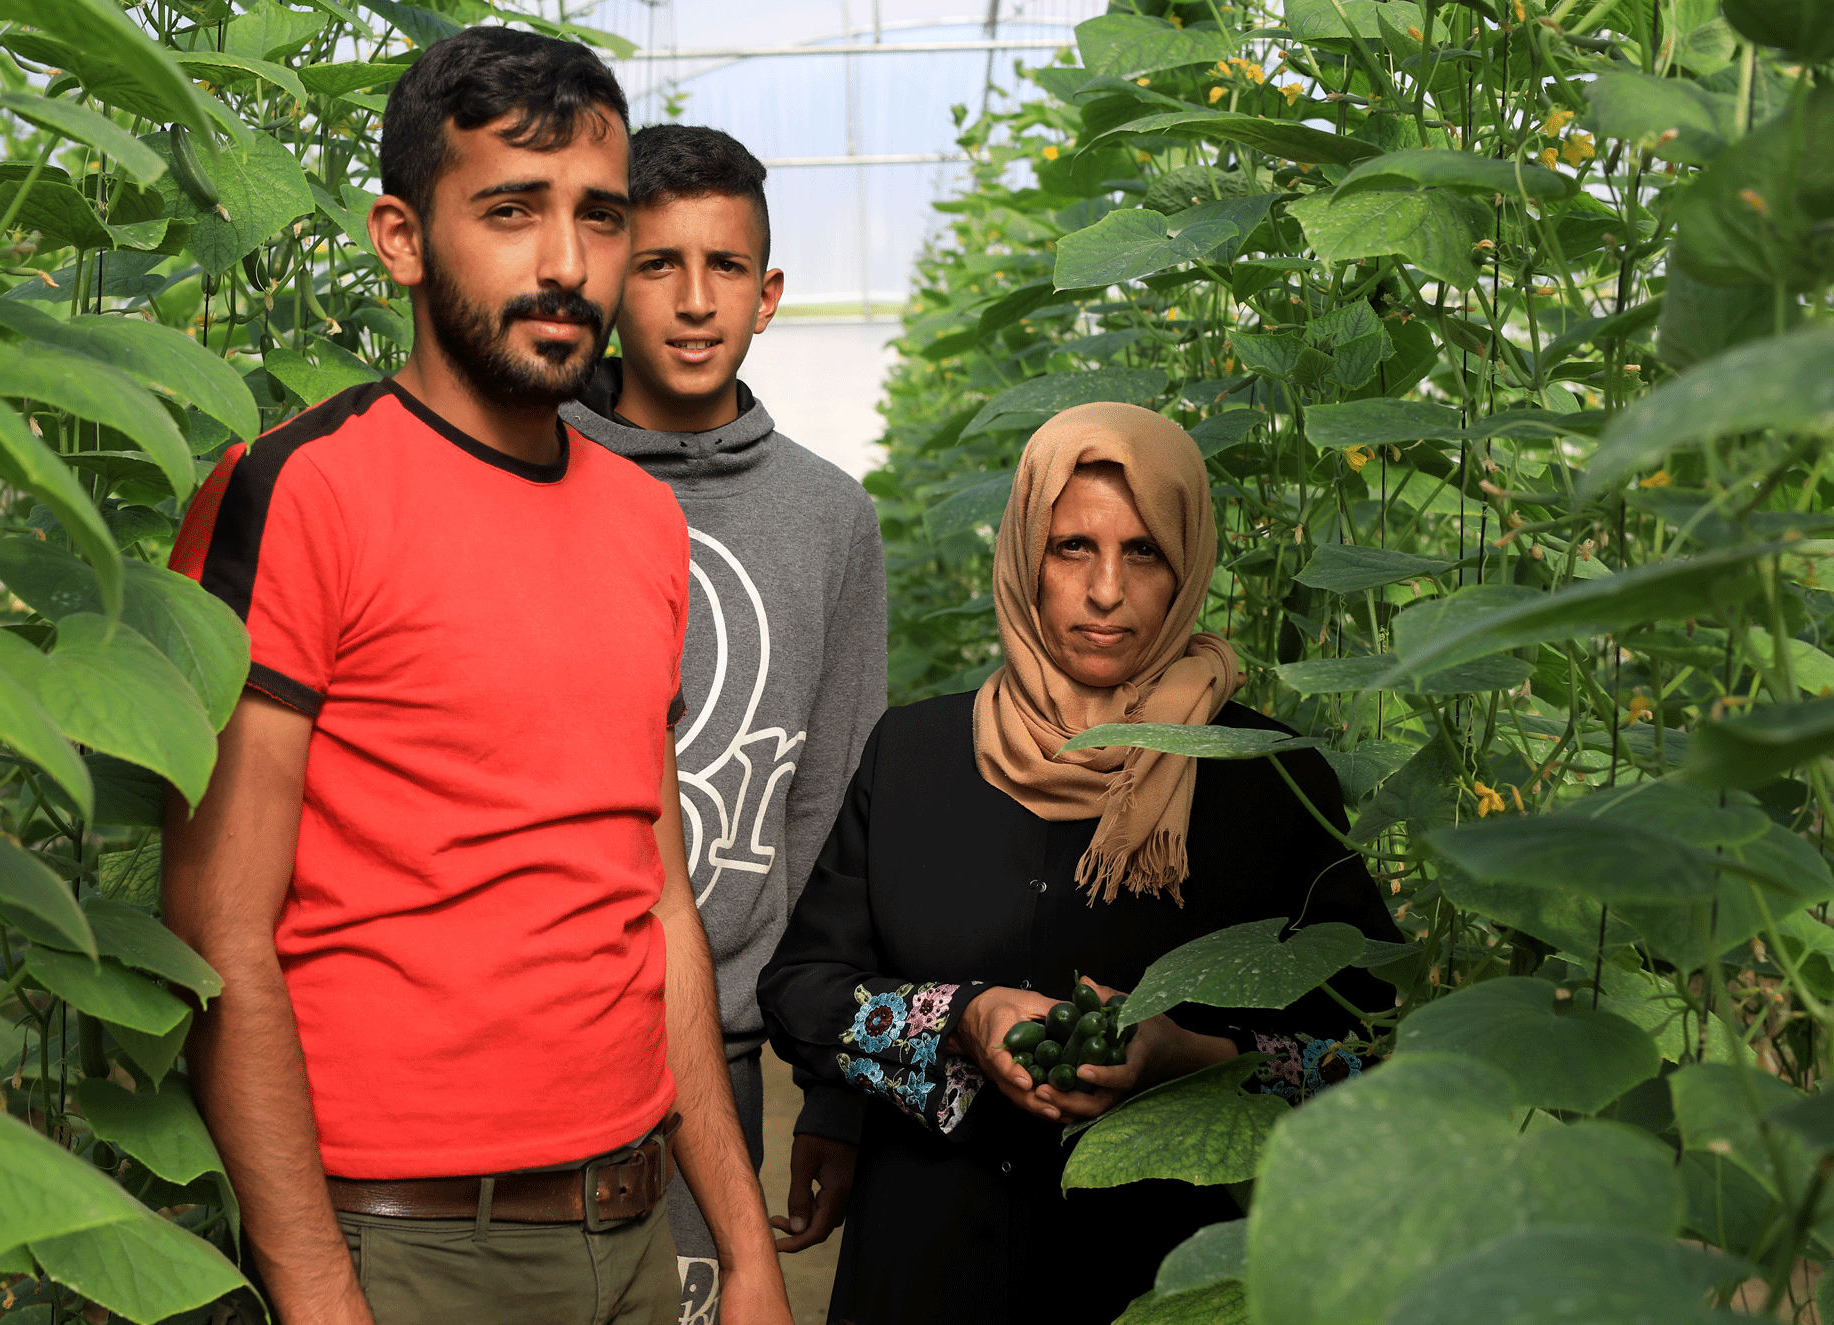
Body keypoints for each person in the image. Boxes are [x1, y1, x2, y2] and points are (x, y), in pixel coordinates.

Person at [161, 28, 790, 1325]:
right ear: (401, 237)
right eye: (512, 212)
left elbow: (656, 899)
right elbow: (221, 933)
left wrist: (745, 1249)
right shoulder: (300, 491)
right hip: (405, 1255)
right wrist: (324, 1296)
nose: (567, 264)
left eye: (599, 218)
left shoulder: (643, 523)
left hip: (629, 1232)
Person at [757, 403, 1400, 1325]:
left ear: (1190, 561)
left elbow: (1366, 1052)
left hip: (1156, 1280)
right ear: (1024, 554)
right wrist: (959, 1020)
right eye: (1071, 548)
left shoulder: (1267, 779)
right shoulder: (917, 754)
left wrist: (1192, 1058)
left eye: (1144, 551)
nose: (1106, 590)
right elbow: (803, 987)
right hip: (928, 1268)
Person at [557, 124, 886, 1324]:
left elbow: (836, 815)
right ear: (605, 280)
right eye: (656, 265)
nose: (694, 304)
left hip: (729, 1058)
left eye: (727, 268)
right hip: (546, 1038)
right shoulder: (534, 472)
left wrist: (837, 1091)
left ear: (770, 293)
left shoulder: (828, 519)